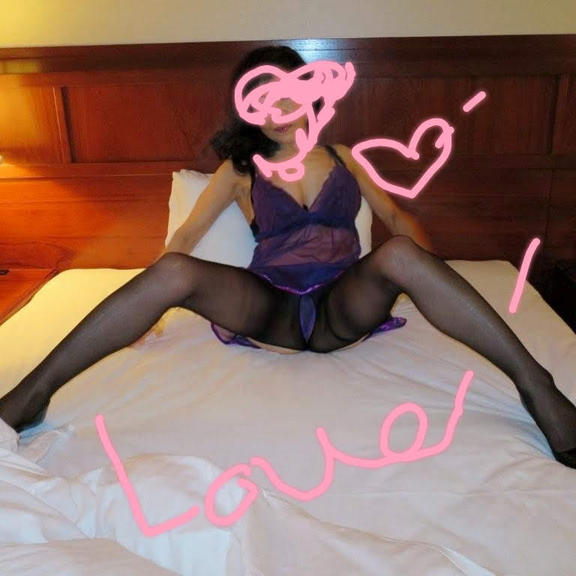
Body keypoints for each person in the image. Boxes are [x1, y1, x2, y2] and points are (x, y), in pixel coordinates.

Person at [0, 46, 574, 469]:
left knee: (401, 252)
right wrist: (152, 316)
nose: (276, 109)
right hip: (272, 308)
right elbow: (186, 237)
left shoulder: (345, 156)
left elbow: (396, 219)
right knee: (173, 272)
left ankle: (537, 385)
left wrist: (431, 277)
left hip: (344, 304)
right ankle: (32, 394)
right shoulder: (239, 170)